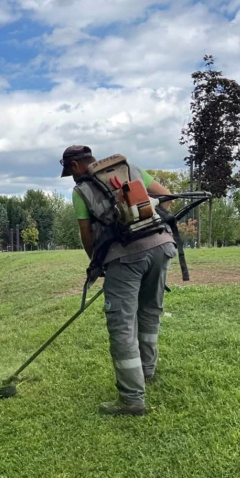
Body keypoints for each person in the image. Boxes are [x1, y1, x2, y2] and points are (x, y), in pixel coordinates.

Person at [61, 145, 177, 416]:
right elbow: (166, 197)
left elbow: (86, 233)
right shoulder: (131, 168)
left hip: (124, 257)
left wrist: (97, 262)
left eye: (70, 172)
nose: (72, 177)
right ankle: (147, 372)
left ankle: (132, 399)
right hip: (162, 246)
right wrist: (150, 221)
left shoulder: (81, 190)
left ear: (76, 166)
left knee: (122, 324)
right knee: (149, 311)